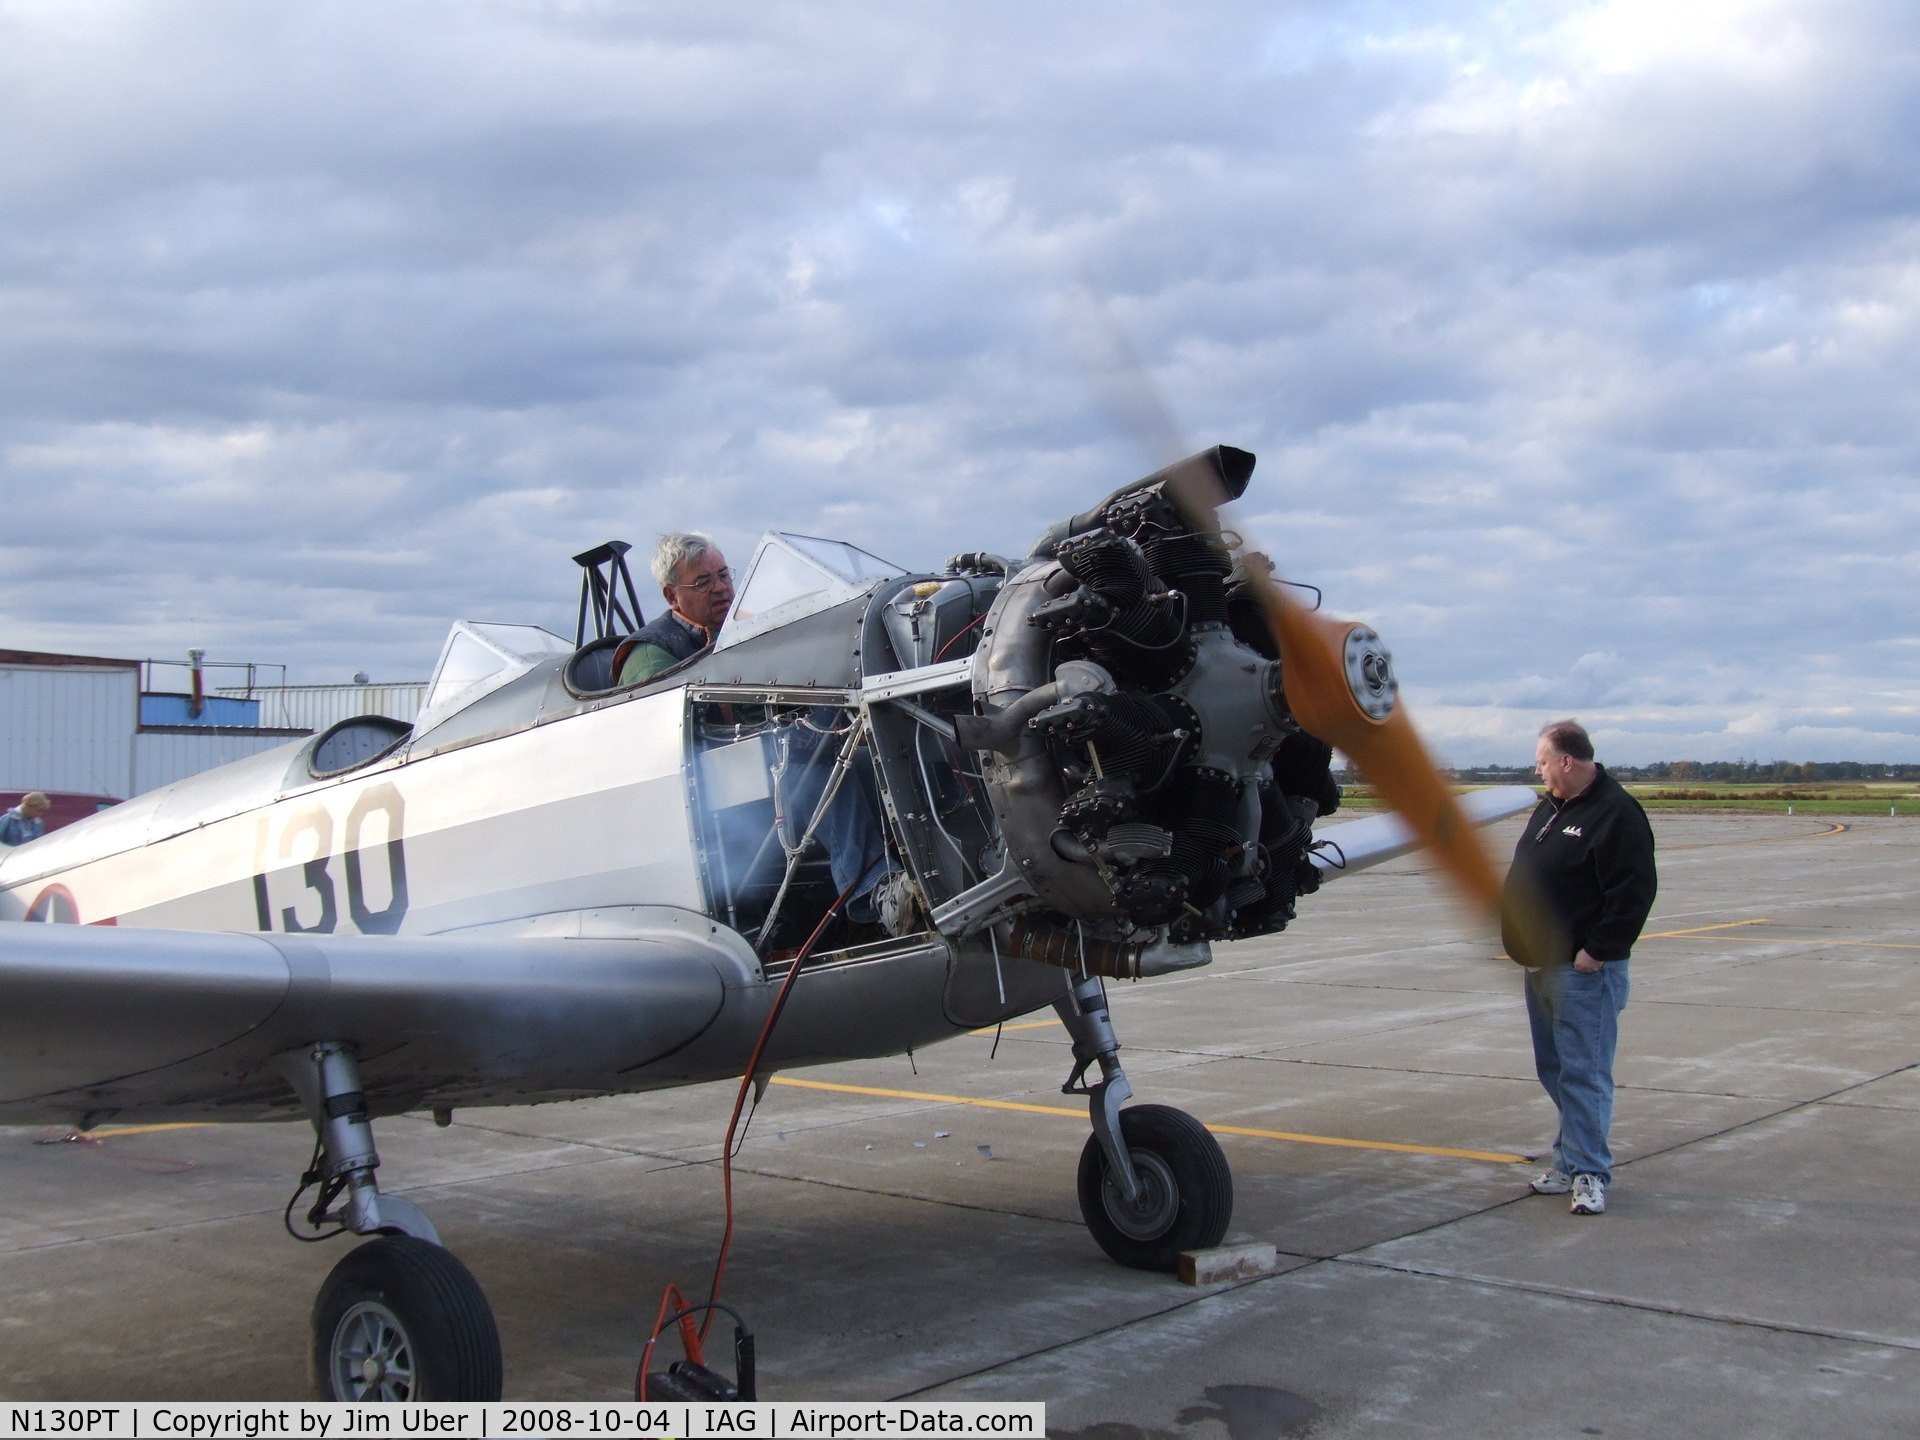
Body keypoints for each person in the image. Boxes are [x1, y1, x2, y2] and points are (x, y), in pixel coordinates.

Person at [1502, 719, 1657, 1217]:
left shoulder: (1616, 813)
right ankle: (1569, 1162)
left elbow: (1633, 893)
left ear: (1567, 761)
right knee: (1555, 1069)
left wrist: (1597, 951)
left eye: (1543, 761)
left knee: (1584, 1074)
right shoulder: (1552, 807)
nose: (1538, 770)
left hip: (1582, 971)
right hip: (1540, 966)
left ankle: (1590, 1174)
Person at [617, 533, 736, 686]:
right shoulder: (651, 657)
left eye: (723, 575)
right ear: (672, 596)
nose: (720, 587)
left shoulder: (747, 628)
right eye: (703, 583)